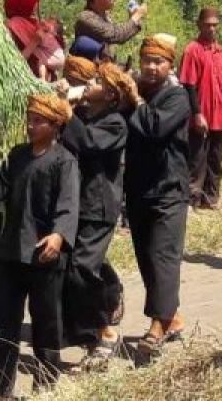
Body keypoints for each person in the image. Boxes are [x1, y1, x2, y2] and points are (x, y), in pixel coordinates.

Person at [0, 94, 80, 398]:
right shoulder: (17, 155)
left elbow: (69, 204)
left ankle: (47, 384)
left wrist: (59, 235)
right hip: (11, 251)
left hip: (44, 255)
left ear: (56, 124)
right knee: (2, 323)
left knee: (46, 320)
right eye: (29, 118)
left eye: (38, 121)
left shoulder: (64, 161)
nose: (30, 125)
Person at [60, 63, 136, 369]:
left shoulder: (115, 123)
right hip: (77, 203)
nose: (89, 83)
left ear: (111, 94)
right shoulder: (84, 114)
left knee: (81, 267)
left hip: (98, 206)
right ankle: (109, 293)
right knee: (78, 265)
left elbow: (88, 144)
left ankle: (105, 332)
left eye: (97, 81)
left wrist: (65, 111)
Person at [125, 35, 190, 356]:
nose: (151, 67)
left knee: (163, 256)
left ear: (170, 65)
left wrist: (135, 100)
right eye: (146, 60)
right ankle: (173, 317)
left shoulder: (177, 98)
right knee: (147, 258)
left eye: (158, 62)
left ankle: (157, 325)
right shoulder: (135, 94)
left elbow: (154, 128)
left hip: (169, 191)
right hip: (138, 190)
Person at [179, 7, 222, 211]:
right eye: (207, 24)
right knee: (196, 158)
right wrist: (197, 113)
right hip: (201, 112)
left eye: (214, 25)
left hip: (219, 112)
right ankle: (192, 198)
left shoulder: (220, 51)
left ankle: (211, 198)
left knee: (216, 157)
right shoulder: (192, 49)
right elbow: (189, 84)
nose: (211, 28)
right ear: (199, 24)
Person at [73, 0, 147, 61]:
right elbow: (116, 35)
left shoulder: (104, 14)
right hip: (88, 69)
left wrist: (133, 18)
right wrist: (136, 16)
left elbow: (119, 34)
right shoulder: (86, 18)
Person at [5, 0, 66, 81]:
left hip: (43, 80)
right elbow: (12, 65)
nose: (35, 7)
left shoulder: (33, 24)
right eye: (32, 3)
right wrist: (34, 42)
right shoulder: (13, 26)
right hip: (26, 80)